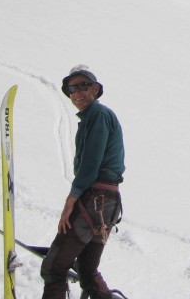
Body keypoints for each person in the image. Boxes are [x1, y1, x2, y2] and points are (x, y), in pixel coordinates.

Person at [41, 66, 125, 299]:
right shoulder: (96, 117)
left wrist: (72, 198)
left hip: (93, 200)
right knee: (87, 271)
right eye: (72, 88)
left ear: (96, 89)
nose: (76, 92)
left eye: (83, 86)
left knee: (54, 269)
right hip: (106, 204)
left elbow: (91, 162)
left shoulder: (98, 115)